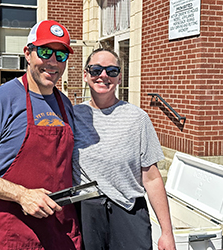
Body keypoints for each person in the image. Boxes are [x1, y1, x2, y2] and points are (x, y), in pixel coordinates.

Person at [0, 20, 82, 250]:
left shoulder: (65, 104)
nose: (53, 62)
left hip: (60, 231)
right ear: (27, 53)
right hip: (14, 234)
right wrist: (22, 195)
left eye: (61, 55)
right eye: (45, 52)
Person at [72, 48, 176, 250]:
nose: (103, 75)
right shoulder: (72, 115)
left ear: (119, 78)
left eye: (111, 71)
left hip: (128, 212)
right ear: (86, 75)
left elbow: (152, 177)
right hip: (86, 212)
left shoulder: (137, 118)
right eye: (96, 70)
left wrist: (166, 232)